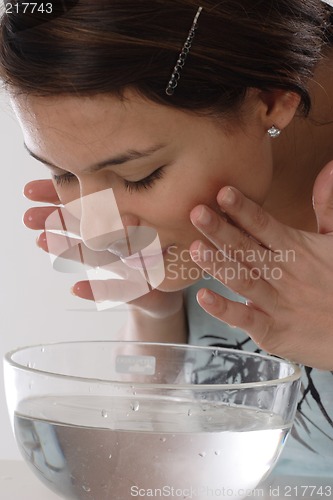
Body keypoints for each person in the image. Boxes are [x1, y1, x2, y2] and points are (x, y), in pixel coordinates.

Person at [1, 0, 332, 484]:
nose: (98, 230)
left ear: (269, 97)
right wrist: (154, 310)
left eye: (138, 175)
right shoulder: (202, 213)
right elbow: (161, 436)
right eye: (60, 172)